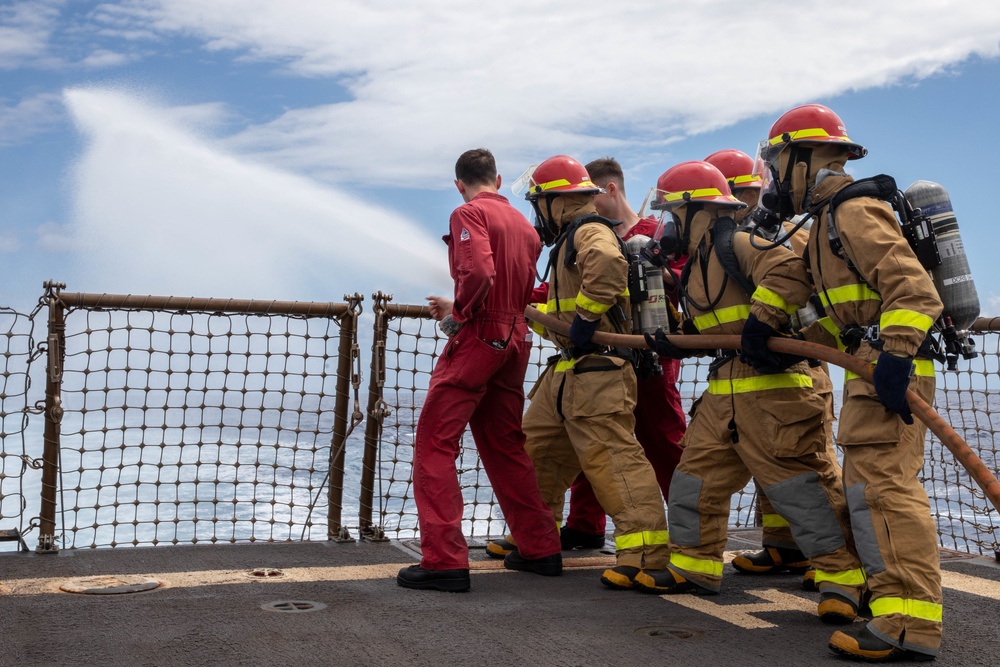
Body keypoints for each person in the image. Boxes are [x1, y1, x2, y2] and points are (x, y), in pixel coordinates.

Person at [637, 160, 866, 628]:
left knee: (803, 493)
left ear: (697, 212)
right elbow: (716, 324)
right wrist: (675, 334)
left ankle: (843, 580)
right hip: (725, 397)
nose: (667, 228)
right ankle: (693, 566)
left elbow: (788, 271)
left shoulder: (740, 242)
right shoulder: (700, 264)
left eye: (672, 215)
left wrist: (763, 323)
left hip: (777, 397)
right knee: (694, 482)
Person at [756, 103, 944, 663]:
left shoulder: (854, 211)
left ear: (804, 158)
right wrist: (764, 326)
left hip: (889, 369)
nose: (773, 179)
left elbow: (914, 292)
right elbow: (821, 300)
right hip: (870, 367)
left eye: (778, 163)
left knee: (886, 494)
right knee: (870, 493)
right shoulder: (825, 223)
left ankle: (908, 624)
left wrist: (896, 356)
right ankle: (896, 612)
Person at [493, 154, 671, 589]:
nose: (538, 214)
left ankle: (645, 553)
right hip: (570, 371)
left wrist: (586, 321)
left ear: (558, 203)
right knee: (539, 450)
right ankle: (536, 535)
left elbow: (608, 271)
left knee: (614, 461)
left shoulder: (589, 231)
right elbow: (559, 309)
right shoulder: (570, 240)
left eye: (541, 203)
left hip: (599, 371)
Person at [397, 148, 562, 593]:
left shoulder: (466, 213)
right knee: (505, 445)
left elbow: (480, 272)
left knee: (434, 443)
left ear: (459, 184)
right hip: (516, 338)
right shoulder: (526, 227)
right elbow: (516, 286)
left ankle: (444, 560)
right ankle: (541, 547)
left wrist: (460, 316)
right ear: (500, 178)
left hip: (480, 338)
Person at [704, 149, 843, 586]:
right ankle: (786, 549)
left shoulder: (780, 234)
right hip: (759, 370)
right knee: (774, 468)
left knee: (808, 470)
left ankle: (840, 565)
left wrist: (762, 327)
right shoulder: (743, 236)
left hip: (798, 365)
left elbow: (798, 287)